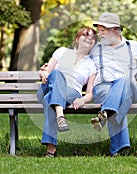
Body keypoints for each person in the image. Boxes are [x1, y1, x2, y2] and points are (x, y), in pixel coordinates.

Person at [90, 12, 137, 157]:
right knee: (120, 98)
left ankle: (104, 115)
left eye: (103, 30)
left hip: (129, 88)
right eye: (99, 30)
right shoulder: (95, 48)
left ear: (115, 30)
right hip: (102, 89)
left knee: (124, 79)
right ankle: (117, 149)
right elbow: (76, 61)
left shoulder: (133, 46)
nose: (99, 34)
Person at [37, 27, 97, 157]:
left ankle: (51, 150)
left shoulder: (91, 64)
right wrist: (43, 73)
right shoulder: (62, 52)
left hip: (72, 93)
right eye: (86, 34)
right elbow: (47, 72)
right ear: (77, 39)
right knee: (57, 73)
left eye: (93, 37)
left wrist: (82, 99)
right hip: (48, 86)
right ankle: (60, 115)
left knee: (49, 100)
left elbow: (90, 94)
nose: (89, 38)